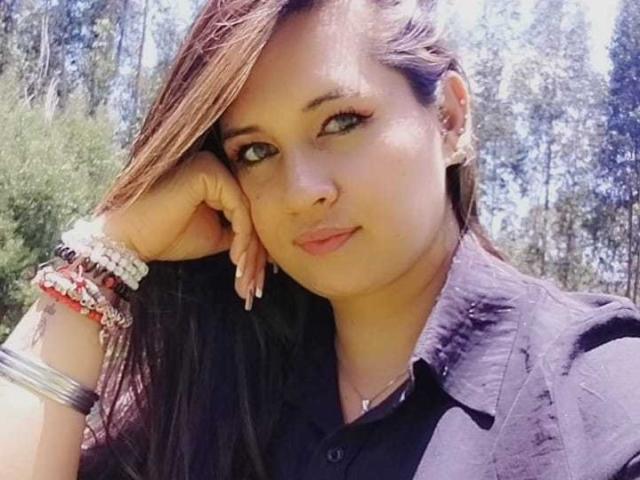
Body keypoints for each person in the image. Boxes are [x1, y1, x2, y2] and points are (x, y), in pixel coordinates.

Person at [1, 0, 639, 479]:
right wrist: (107, 251)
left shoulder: (595, 399)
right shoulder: (218, 401)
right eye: (255, 152)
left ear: (448, 118)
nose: (302, 190)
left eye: (341, 121)